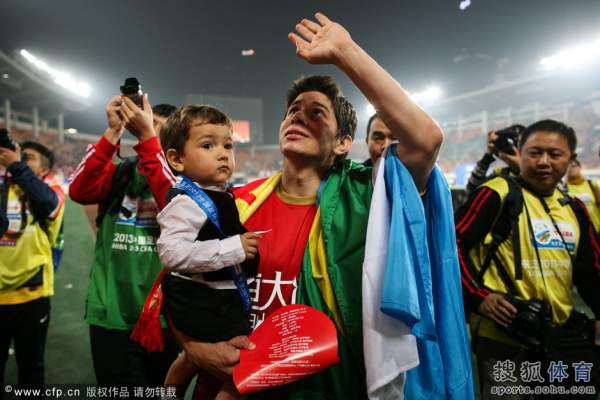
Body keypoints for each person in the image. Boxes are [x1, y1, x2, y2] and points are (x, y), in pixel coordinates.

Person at [169, 13, 472, 400]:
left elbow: (427, 140)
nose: (298, 116)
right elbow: (176, 281)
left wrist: (345, 52)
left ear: (344, 142)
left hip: (331, 387)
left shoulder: (369, 199)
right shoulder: (236, 203)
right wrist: (195, 349)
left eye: (317, 113)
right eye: (293, 110)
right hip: (237, 386)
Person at [456, 119, 600, 399]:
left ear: (571, 157)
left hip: (557, 337)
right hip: (503, 339)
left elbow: (591, 270)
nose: (544, 161)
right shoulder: (495, 192)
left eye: (555, 154)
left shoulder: (574, 208)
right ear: (520, 153)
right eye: (535, 153)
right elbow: (451, 247)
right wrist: (478, 297)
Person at [68, 97, 179, 385]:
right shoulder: (120, 173)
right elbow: (79, 191)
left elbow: (174, 204)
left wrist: (149, 140)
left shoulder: (184, 180)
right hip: (110, 313)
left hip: (164, 318)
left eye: (160, 127)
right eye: (149, 124)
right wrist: (112, 132)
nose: (150, 129)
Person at [154, 105, 260, 399]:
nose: (223, 154)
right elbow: (171, 253)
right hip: (206, 302)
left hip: (215, 297)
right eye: (208, 145)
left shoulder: (217, 193)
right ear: (177, 159)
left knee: (189, 362)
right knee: (241, 363)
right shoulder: (186, 202)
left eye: (228, 145)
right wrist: (233, 248)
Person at [0, 140, 65, 391]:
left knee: (31, 369)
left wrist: (17, 166)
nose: (21, 159)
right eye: (20, 155)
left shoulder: (52, 190)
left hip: (31, 294)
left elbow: (49, 204)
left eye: (29, 158)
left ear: (43, 170)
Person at [465, 125, 524, 195]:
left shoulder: (533, 174)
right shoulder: (500, 174)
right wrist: (487, 156)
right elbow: (472, 191)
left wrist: (521, 167)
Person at [564, 158, 600, 235]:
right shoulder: (563, 188)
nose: (571, 169)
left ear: (579, 167)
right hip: (578, 232)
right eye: (568, 166)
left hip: (596, 229)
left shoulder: (591, 184)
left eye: (573, 166)